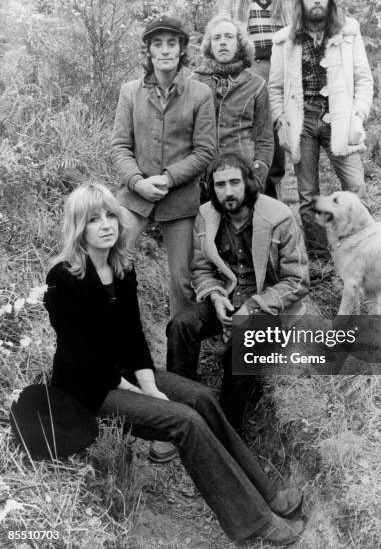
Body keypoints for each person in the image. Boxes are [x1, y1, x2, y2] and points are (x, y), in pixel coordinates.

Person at [43, 182, 304, 546]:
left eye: (110, 216)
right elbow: (77, 353)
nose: (106, 225)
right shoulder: (62, 277)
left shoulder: (122, 268)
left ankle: (268, 494)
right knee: (186, 421)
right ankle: (253, 522)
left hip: (125, 375)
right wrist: (132, 388)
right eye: (93, 220)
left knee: (201, 398)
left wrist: (149, 384)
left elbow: (133, 335)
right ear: (78, 228)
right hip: (88, 389)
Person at [166, 153, 309, 433]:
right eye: (220, 185)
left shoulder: (279, 216)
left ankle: (227, 431)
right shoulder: (206, 216)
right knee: (181, 326)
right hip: (228, 299)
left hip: (269, 307)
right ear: (211, 188)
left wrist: (254, 306)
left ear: (249, 183)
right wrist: (216, 296)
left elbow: (298, 280)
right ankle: (180, 413)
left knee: (242, 347)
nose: (228, 191)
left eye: (234, 182)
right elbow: (201, 268)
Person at [110, 16, 216, 318]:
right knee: (113, 262)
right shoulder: (130, 92)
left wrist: (169, 179)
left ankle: (179, 362)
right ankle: (120, 350)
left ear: (182, 49)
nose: (166, 50)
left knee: (182, 281)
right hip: (135, 196)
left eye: (172, 43)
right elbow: (119, 146)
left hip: (180, 200)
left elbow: (206, 150)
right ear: (149, 51)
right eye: (158, 44)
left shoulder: (199, 94)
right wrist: (136, 181)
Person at [269, 0, 373, 259]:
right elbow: (275, 88)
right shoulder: (285, 41)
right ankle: (319, 258)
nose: (317, 0)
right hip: (302, 121)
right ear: (301, 1)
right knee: (307, 194)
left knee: (355, 187)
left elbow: (364, 79)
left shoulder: (348, 32)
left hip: (340, 118)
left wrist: (358, 117)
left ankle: (361, 250)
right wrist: (280, 121)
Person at [219, 0, 296, 199]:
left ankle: (274, 196)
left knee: (277, 132)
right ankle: (245, 192)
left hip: (281, 71)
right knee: (252, 131)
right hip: (248, 70)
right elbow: (223, 37)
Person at [189, 15, 274, 191]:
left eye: (229, 36)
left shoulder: (256, 85)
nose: (222, 42)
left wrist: (257, 177)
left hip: (245, 176)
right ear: (209, 45)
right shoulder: (193, 82)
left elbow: (264, 139)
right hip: (203, 178)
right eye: (216, 38)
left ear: (239, 43)